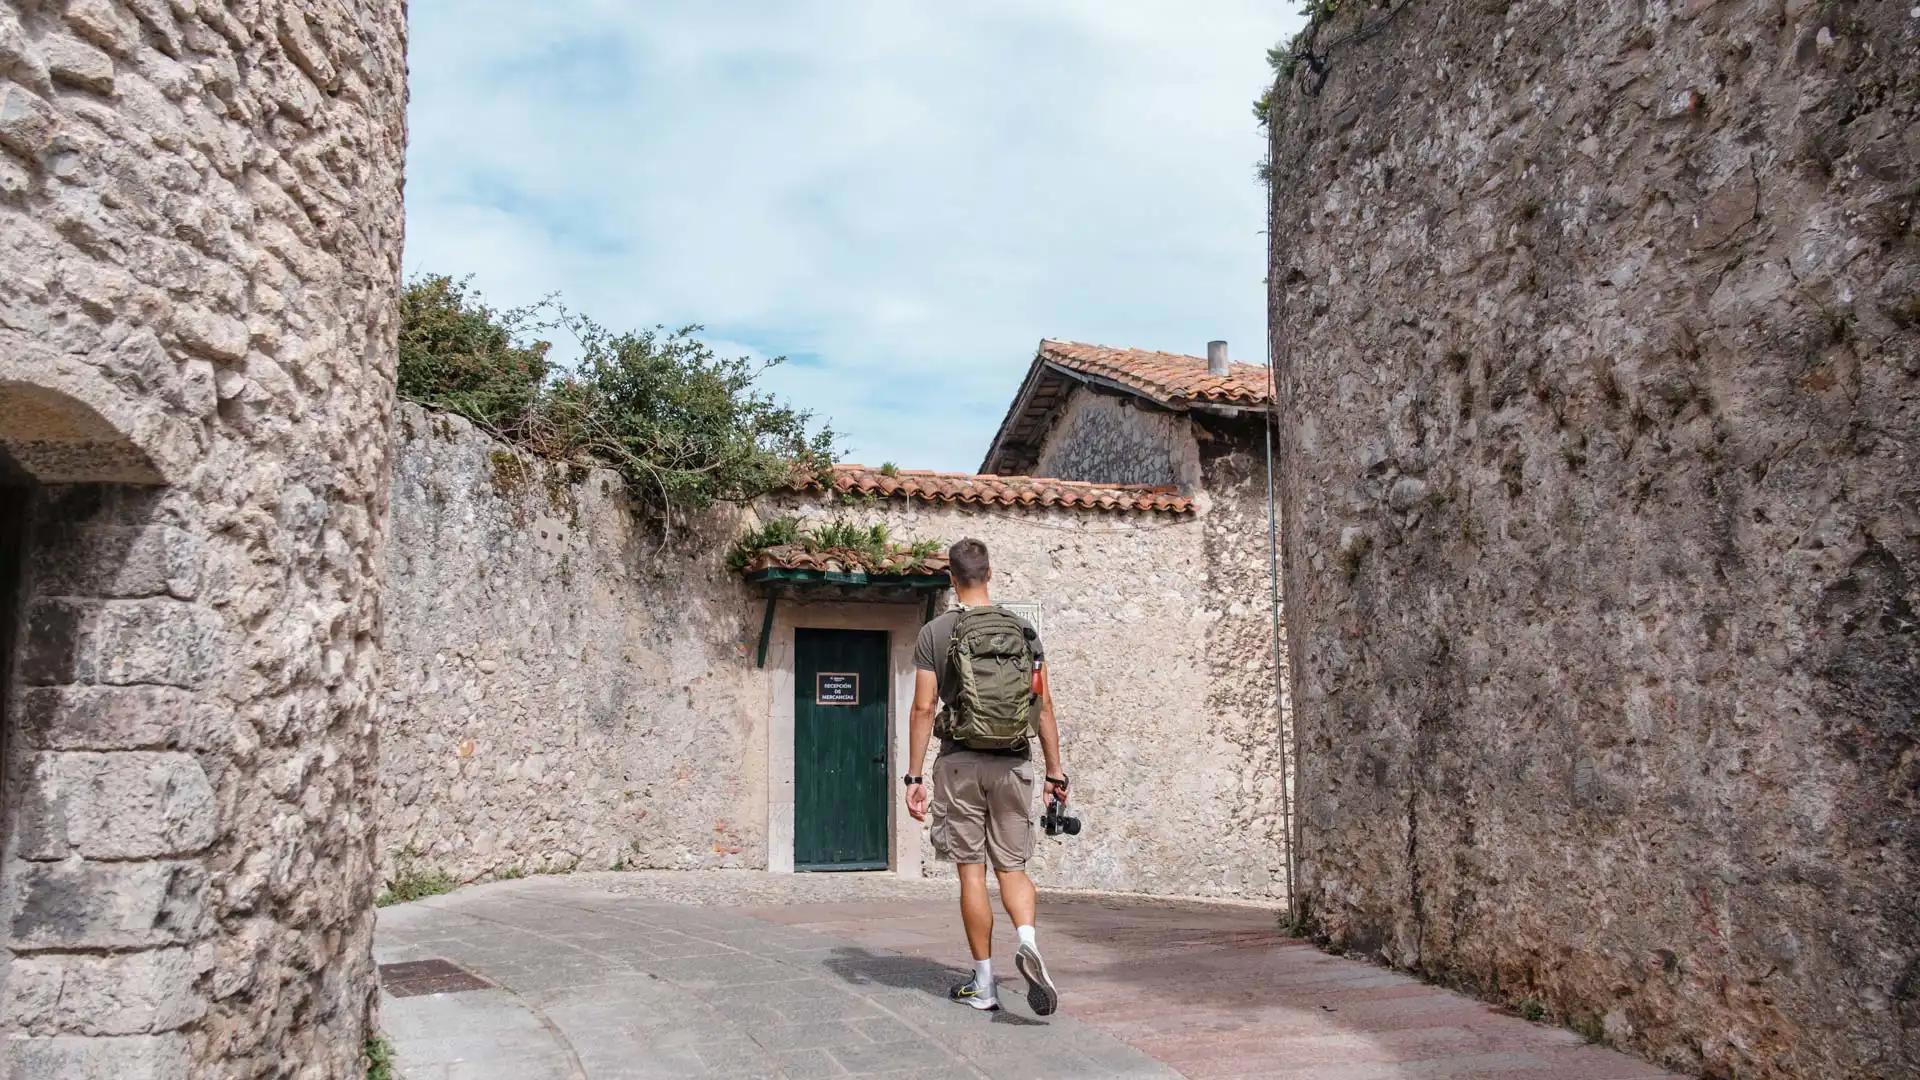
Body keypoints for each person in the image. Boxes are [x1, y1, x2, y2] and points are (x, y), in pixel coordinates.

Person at [904, 538, 1067, 1015]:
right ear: (989, 574)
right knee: (1012, 867)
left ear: (951, 579)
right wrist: (1055, 770)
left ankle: (984, 984)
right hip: (1014, 762)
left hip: (959, 763)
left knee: (971, 874)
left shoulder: (935, 632)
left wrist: (914, 778)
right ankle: (1029, 940)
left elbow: (922, 707)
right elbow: (1044, 706)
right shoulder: (1023, 631)